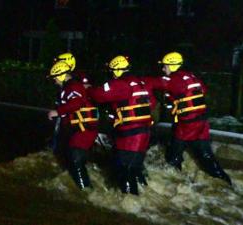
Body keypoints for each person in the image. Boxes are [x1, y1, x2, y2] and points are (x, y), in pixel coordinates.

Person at [144, 51, 232, 185]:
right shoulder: (192, 77)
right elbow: (203, 90)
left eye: (165, 66)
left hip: (186, 125)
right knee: (206, 156)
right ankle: (225, 182)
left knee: (173, 156)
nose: (163, 69)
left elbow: (150, 83)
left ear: (172, 66)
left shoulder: (173, 80)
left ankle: (173, 185)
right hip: (202, 123)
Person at [88, 55, 153, 195]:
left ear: (117, 70)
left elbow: (99, 95)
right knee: (134, 168)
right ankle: (145, 194)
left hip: (131, 135)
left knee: (125, 170)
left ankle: (130, 203)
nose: (111, 74)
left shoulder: (120, 83)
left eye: (112, 71)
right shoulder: (138, 82)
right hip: (142, 132)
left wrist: (88, 89)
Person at [47, 61, 99, 190]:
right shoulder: (69, 88)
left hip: (83, 130)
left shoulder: (73, 87)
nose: (54, 82)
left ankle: (85, 190)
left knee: (75, 159)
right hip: (78, 130)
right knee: (73, 158)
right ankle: (84, 187)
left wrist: (57, 112)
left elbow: (76, 104)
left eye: (55, 78)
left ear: (61, 75)